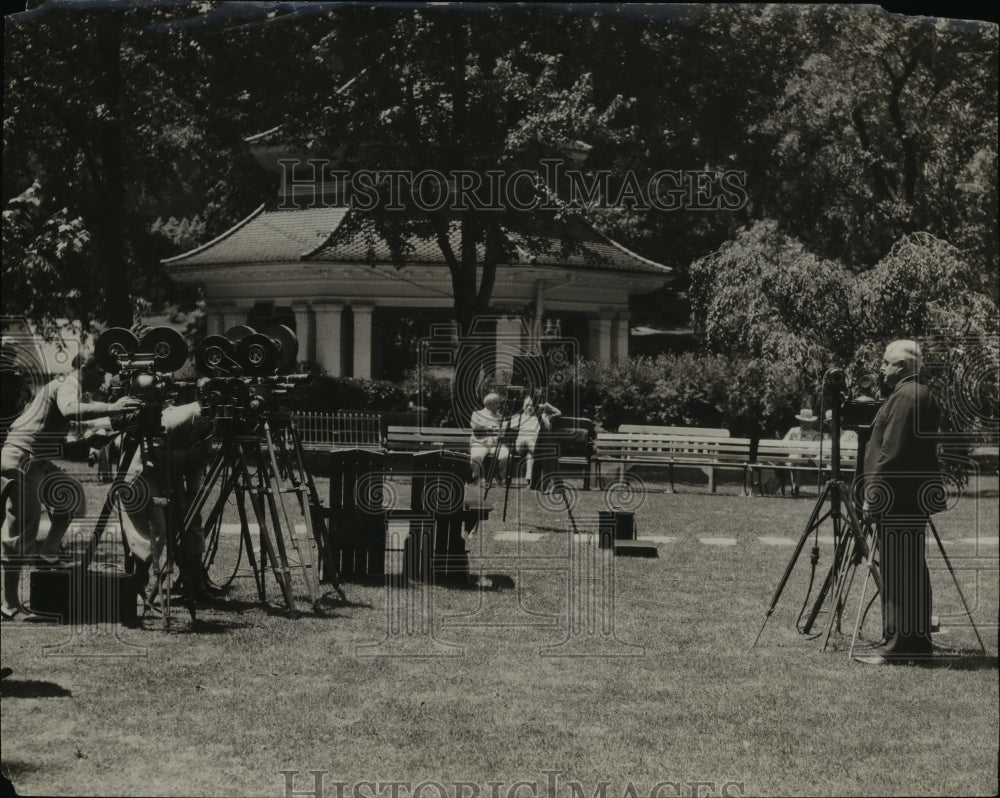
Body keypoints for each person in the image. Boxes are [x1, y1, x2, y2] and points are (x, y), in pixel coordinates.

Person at [1, 354, 140, 620]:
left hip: (35, 460)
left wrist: (118, 421)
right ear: (84, 367)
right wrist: (114, 407)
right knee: (19, 533)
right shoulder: (67, 384)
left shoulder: (66, 387)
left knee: (71, 496)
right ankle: (9, 605)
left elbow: (80, 423)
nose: (103, 380)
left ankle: (48, 554)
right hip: (23, 460)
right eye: (99, 373)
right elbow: (70, 410)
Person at [855, 340, 942, 665]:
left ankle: (896, 646)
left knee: (898, 573)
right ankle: (916, 644)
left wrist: (873, 497)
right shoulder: (919, 393)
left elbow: (891, 454)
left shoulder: (906, 396)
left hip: (898, 499)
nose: (881, 368)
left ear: (902, 366)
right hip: (908, 498)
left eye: (886, 363)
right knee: (910, 571)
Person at [511, 394, 562, 486]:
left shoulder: (542, 416)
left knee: (531, 457)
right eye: (527, 405)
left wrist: (547, 405)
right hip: (520, 445)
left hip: (534, 445)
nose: (530, 407)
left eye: (532, 405)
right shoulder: (519, 417)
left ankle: (531, 482)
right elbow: (505, 426)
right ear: (523, 407)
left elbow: (558, 413)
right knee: (529, 442)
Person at [780, 407, 829, 496]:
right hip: (793, 457)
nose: (805, 423)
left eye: (807, 422)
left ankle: (795, 488)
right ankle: (796, 488)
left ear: (811, 422)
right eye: (803, 421)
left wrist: (804, 451)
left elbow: (816, 449)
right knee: (797, 460)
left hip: (809, 460)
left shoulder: (816, 434)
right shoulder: (793, 430)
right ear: (800, 421)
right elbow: (784, 443)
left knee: (798, 459)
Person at [468, 393, 508, 484]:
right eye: (497, 403)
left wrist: (493, 428)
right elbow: (475, 427)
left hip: (495, 444)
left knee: (506, 456)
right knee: (476, 457)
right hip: (480, 443)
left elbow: (502, 431)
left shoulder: (501, 417)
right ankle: (475, 476)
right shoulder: (477, 414)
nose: (499, 405)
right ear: (488, 404)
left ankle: (499, 475)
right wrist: (492, 427)